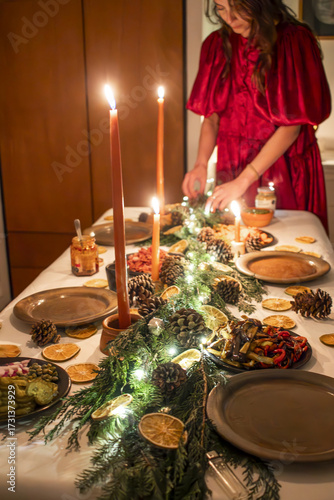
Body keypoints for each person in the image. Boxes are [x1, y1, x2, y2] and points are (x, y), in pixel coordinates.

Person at [182, 0, 331, 230]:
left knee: (287, 249)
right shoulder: (217, 45)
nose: (229, 19)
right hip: (232, 165)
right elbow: (211, 117)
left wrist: (243, 180)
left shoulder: (293, 40)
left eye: (238, 8)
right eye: (221, 8)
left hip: (283, 167)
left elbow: (293, 127)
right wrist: (200, 164)